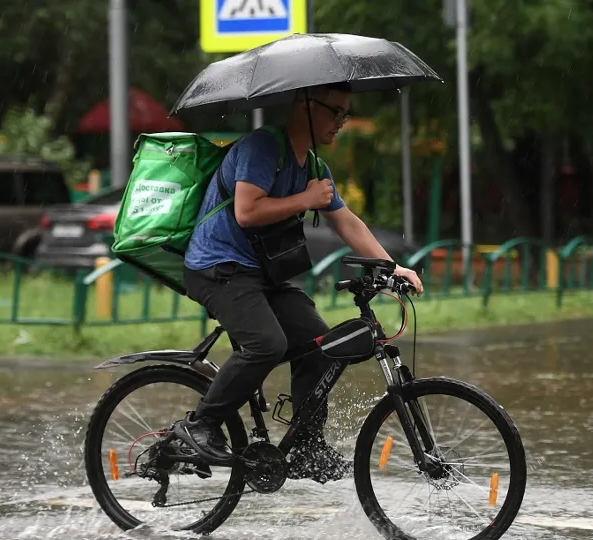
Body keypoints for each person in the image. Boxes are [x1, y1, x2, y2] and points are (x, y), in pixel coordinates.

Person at [174, 82, 424, 484]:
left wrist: (392, 268)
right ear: (306, 106)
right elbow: (247, 211)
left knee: (322, 347)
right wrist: (305, 200)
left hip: (261, 275)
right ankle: (200, 425)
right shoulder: (261, 148)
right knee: (266, 344)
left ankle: (307, 448)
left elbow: (348, 223)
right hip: (217, 267)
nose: (341, 122)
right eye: (336, 111)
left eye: (346, 113)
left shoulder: (313, 168)